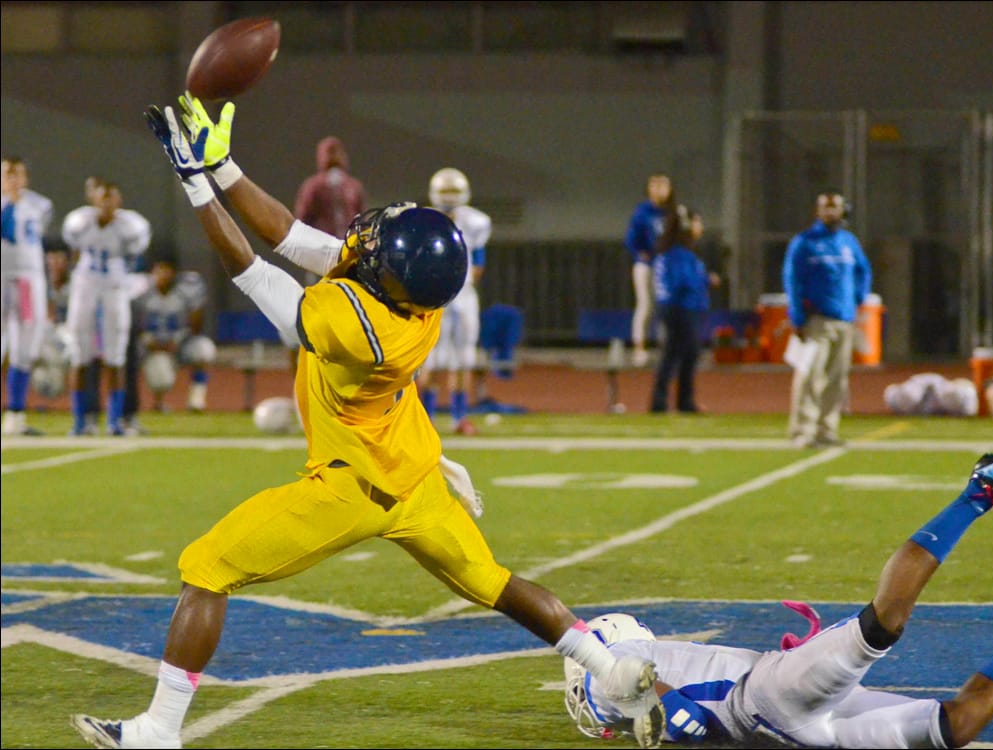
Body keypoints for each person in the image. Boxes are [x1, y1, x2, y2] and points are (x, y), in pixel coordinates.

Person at [68, 95, 663, 750]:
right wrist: (224, 168)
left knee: (206, 566)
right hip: (414, 474)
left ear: (390, 275)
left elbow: (251, 270)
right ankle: (611, 669)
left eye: (382, 241)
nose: (371, 235)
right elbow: (292, 235)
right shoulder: (420, 301)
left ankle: (158, 730)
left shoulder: (359, 327)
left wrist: (194, 184)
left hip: (350, 488)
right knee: (495, 583)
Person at [564, 453, 993, 749]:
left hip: (771, 695)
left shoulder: (607, 667)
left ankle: (977, 495)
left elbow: (642, 689)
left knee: (882, 625)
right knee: (956, 727)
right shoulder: (634, 671)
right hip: (799, 730)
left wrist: (669, 710)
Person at [61, 180, 151, 437]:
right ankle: (80, 421)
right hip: (85, 284)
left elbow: (135, 255)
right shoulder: (79, 221)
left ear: (119, 202)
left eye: (111, 198)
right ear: (94, 200)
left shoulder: (131, 225)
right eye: (103, 198)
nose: (107, 204)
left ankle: (115, 421)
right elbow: (74, 249)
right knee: (79, 354)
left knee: (115, 355)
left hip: (114, 285)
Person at [782, 190, 872, 448]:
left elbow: (863, 270)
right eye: (826, 207)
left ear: (844, 210)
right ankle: (802, 430)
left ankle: (826, 429)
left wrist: (858, 298)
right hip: (816, 320)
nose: (831, 212)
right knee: (810, 375)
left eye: (835, 206)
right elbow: (792, 280)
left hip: (844, 319)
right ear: (818, 211)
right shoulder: (804, 242)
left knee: (837, 379)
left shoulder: (848, 242)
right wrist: (797, 316)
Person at [416, 167, 491, 435]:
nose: (449, 197)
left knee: (464, 357)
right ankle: (426, 420)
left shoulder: (476, 222)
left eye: (453, 191)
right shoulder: (424, 221)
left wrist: (461, 285)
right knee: (432, 359)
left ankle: (460, 418)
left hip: (463, 295)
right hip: (435, 296)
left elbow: (478, 263)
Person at [1, 155, 55, 436]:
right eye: (6, 173)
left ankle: (15, 416)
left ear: (24, 177)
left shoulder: (40, 204)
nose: (11, 179)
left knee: (25, 347)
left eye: (16, 173)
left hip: (26, 280)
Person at [649, 206, 720, 414]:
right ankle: (678, 401)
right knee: (686, 353)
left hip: (673, 308)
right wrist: (706, 280)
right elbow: (683, 282)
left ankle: (666, 402)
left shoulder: (673, 252)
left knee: (674, 354)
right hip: (681, 308)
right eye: (697, 222)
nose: (701, 227)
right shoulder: (680, 254)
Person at [133, 254, 215, 413]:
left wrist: (177, 340)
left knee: (204, 349)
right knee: (161, 379)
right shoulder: (141, 290)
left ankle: (196, 400)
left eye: (167, 270)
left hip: (180, 342)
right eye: (159, 269)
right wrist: (149, 341)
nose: (163, 274)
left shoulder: (187, 288)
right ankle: (158, 403)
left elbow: (196, 324)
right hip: (152, 347)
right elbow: (134, 324)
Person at [293, 135, 366, 286]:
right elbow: (302, 220)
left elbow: (362, 220)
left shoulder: (352, 186)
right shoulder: (314, 186)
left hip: (348, 252)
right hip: (323, 252)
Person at [625, 173, 675, 368]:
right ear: (649, 189)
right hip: (645, 265)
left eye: (664, 185)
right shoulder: (642, 212)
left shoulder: (671, 212)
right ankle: (640, 349)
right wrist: (640, 252)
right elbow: (631, 237)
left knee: (665, 306)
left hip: (665, 266)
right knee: (645, 304)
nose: (660, 189)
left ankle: (665, 348)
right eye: (656, 185)